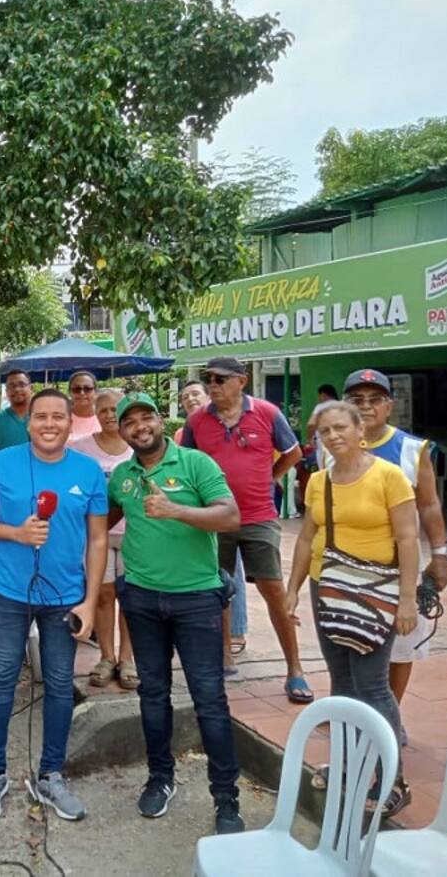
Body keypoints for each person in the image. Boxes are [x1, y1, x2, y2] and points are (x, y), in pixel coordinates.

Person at [0, 388, 106, 824]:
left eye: (57, 417)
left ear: (71, 422)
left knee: (61, 684)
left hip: (64, 597)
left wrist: (90, 601)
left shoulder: (89, 470)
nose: (48, 424)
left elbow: (98, 538)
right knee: (3, 679)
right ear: (29, 422)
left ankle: (51, 774)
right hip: (8, 592)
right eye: (40, 416)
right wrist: (15, 533)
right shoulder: (1, 464)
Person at [109, 392, 246, 835]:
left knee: (209, 699)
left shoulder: (195, 464)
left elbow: (229, 517)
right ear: (122, 432)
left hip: (197, 599)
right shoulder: (123, 477)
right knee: (153, 695)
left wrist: (176, 510)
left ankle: (226, 798)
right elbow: (101, 520)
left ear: (159, 421)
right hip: (142, 600)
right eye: (129, 422)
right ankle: (160, 778)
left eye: (146, 417)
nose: (139, 426)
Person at [285, 401, 419, 818]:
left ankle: (393, 777)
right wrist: (292, 589)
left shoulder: (388, 476)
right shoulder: (318, 481)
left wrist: (408, 598)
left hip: (375, 593)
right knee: (341, 683)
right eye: (324, 431)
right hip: (329, 590)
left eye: (340, 427)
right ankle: (347, 765)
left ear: (360, 429)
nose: (333, 436)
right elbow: (307, 538)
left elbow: (408, 539)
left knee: (372, 687)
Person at [181, 357, 311, 704]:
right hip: (215, 518)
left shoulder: (267, 413)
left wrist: (270, 477)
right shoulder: (197, 421)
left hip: (258, 517)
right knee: (217, 589)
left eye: (221, 379)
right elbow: (186, 463)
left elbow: (293, 452)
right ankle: (223, 658)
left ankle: (295, 668)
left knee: (273, 589)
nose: (213, 385)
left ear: (241, 381)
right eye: (209, 379)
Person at [336, 369, 447, 742]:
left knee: (401, 646)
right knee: (351, 643)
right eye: (357, 400)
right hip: (347, 567)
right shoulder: (333, 448)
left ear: (389, 405)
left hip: (398, 568)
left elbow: (430, 505)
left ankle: (389, 721)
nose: (366, 407)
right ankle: (357, 717)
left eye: (375, 399)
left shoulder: (411, 449)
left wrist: (439, 554)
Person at [178, 379, 248, 665]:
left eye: (195, 393)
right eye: (185, 397)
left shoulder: (231, 421)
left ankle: (236, 632)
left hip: (232, 508)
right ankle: (215, 635)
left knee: (234, 575)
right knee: (214, 571)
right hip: (200, 511)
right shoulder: (187, 431)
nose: (190, 399)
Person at [70, 388, 137, 691]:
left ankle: (128, 658)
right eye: (104, 410)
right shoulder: (81, 447)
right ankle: (106, 657)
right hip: (96, 535)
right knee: (104, 594)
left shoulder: (138, 445)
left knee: (131, 597)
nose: (110, 415)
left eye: (115, 409)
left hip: (135, 535)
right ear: (96, 414)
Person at [67, 371, 102, 441]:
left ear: (96, 392)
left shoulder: (105, 417)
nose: (82, 393)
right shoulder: (61, 417)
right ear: (70, 392)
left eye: (87, 389)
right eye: (77, 389)